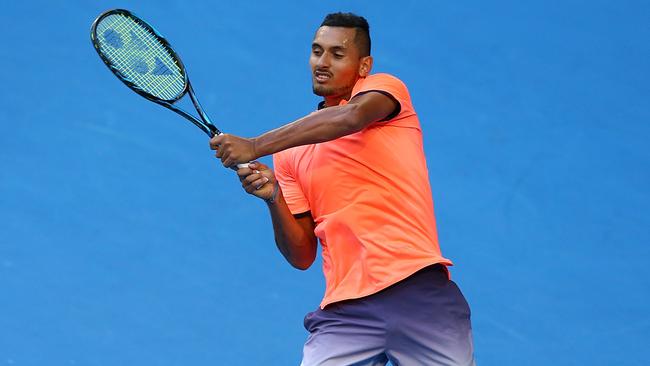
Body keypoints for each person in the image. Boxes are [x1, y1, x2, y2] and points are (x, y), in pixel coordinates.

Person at [210, 12, 475, 366]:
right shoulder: (290, 154)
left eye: (337, 54)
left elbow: (350, 118)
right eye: (317, 51)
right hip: (346, 313)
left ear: (364, 65)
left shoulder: (386, 92)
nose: (322, 62)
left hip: (419, 294)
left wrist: (256, 145)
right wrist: (274, 196)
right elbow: (302, 255)